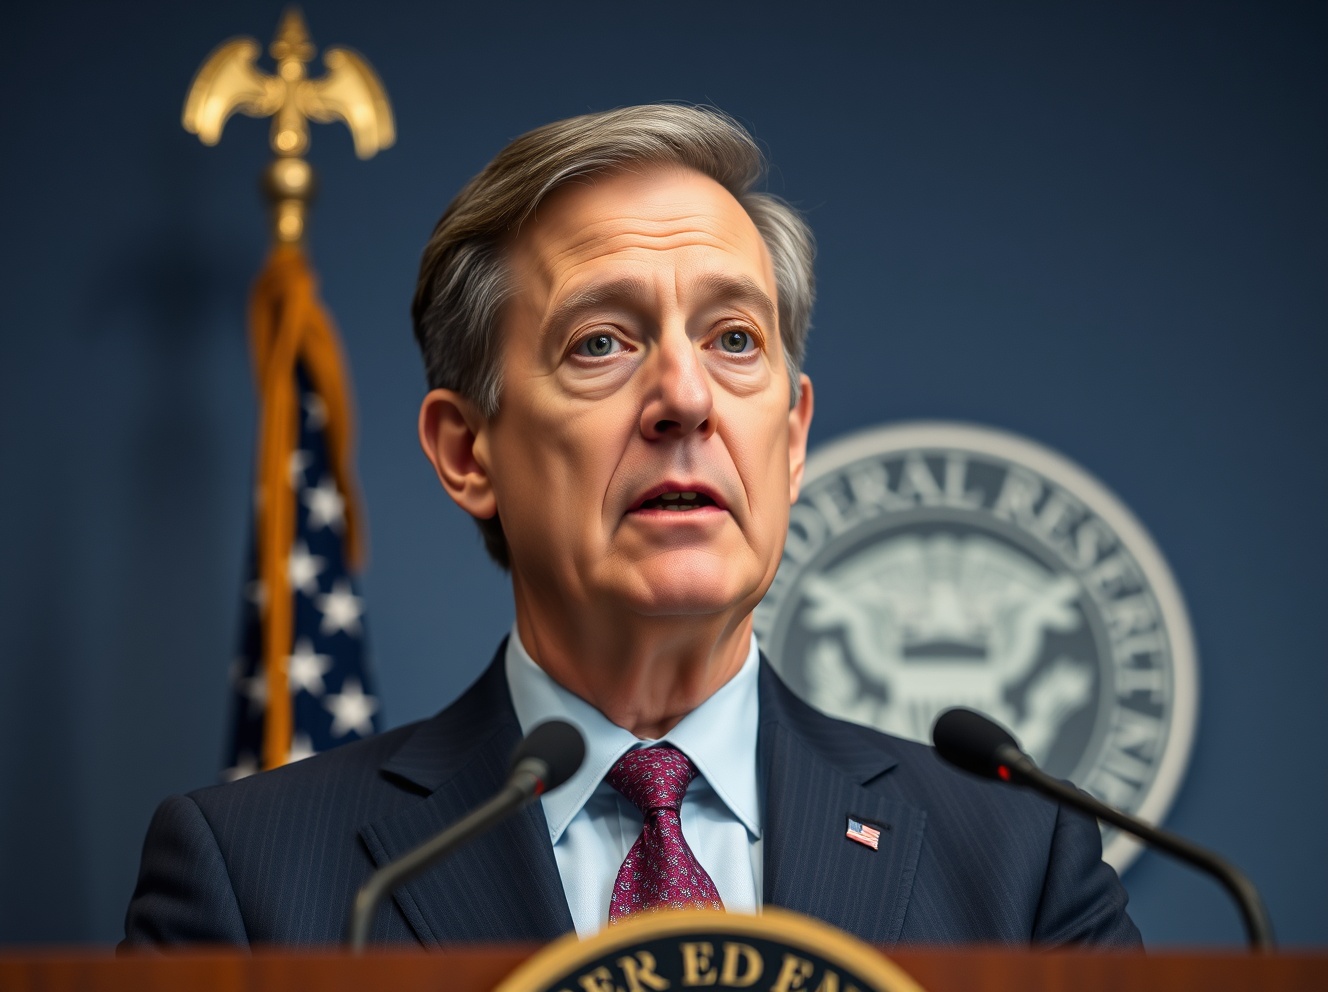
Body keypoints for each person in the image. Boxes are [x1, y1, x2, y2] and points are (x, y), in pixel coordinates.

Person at [123, 104, 1140, 947]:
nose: (685, 399)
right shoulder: (251, 877)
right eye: (601, 342)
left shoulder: (1018, 861)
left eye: (733, 338)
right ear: (467, 452)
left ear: (791, 438)